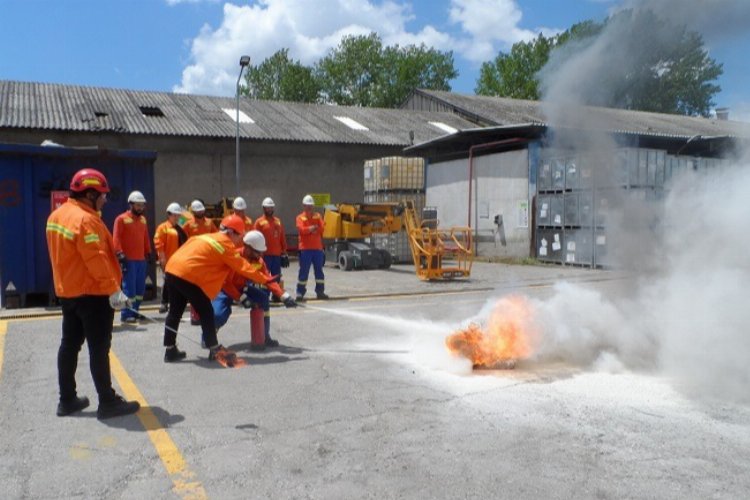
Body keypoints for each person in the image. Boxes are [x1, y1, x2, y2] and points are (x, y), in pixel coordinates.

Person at [46, 168, 140, 420]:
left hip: (69, 292)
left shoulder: (57, 215)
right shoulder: (86, 220)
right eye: (101, 195)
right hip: (93, 294)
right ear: (89, 194)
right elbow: (94, 259)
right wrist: (114, 290)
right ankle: (107, 402)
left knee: (69, 345)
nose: (105, 200)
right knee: (99, 348)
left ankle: (67, 400)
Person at [162, 214, 277, 366]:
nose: (239, 241)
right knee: (206, 310)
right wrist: (265, 279)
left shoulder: (206, 237)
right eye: (239, 236)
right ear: (231, 233)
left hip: (172, 269)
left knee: (175, 311)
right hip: (187, 275)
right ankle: (214, 349)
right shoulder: (225, 244)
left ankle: (170, 350)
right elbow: (242, 267)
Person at [212, 230, 297, 349]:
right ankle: (208, 338)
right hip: (224, 289)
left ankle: (264, 336)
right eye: (257, 252)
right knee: (218, 314)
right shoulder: (233, 257)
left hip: (242, 288)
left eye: (261, 252)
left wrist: (284, 296)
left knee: (263, 298)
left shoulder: (259, 262)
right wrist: (241, 298)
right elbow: (226, 283)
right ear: (247, 247)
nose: (260, 255)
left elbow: (267, 279)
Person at [113, 190, 152, 323]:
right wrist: (119, 253)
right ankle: (126, 314)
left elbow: (145, 237)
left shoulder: (143, 220)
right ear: (131, 204)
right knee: (129, 288)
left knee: (140, 289)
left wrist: (148, 251)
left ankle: (135, 311)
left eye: (142, 205)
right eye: (138, 205)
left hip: (141, 260)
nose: (140, 208)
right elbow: (116, 237)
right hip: (128, 260)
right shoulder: (121, 219)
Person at [182, 199, 217, 325]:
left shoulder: (209, 223)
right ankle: (195, 316)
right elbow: (182, 238)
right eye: (198, 211)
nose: (201, 212)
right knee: (195, 288)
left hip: (207, 258)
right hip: (194, 259)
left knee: (206, 287)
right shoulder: (188, 224)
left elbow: (216, 236)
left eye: (202, 210)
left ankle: (206, 313)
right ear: (194, 212)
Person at [153, 202, 188, 313]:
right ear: (169, 215)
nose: (177, 217)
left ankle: (177, 302)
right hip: (169, 260)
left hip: (181, 261)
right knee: (168, 282)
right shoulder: (163, 228)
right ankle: (164, 303)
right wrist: (162, 258)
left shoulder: (181, 228)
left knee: (179, 283)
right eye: (175, 215)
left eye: (178, 215)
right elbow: (158, 243)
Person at [254, 197, 288, 302]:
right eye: (267, 208)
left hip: (276, 255)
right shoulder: (259, 222)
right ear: (263, 208)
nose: (269, 210)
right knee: (265, 276)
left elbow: (282, 237)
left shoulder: (278, 221)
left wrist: (284, 252)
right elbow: (255, 237)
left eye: (271, 208)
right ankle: (265, 295)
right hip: (264, 255)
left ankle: (276, 295)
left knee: (276, 276)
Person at [295, 194, 328, 301]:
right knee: (304, 271)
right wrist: (312, 228)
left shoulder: (318, 216)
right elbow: (301, 230)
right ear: (303, 206)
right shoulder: (300, 217)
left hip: (317, 249)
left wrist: (310, 230)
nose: (309, 207)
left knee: (319, 271)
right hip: (305, 249)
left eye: (311, 205)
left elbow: (322, 228)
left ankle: (320, 292)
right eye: (307, 205)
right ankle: (300, 293)